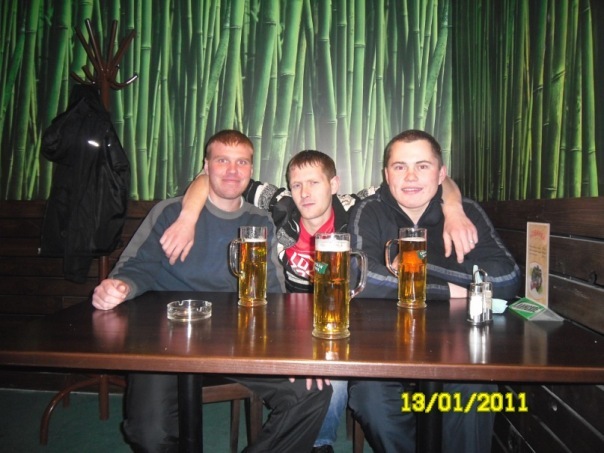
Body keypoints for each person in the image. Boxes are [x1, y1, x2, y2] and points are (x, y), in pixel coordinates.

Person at [159, 150, 478, 453]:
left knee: (331, 371)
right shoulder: (281, 203)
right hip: (291, 321)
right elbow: (212, 176)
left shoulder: (355, 206)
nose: (305, 193)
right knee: (319, 373)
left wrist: (454, 209)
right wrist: (187, 217)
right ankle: (317, 441)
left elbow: (428, 182)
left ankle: (319, 442)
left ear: (334, 184)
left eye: (314, 182)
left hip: (346, 319)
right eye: (297, 184)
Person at [92, 130, 332, 453]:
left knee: (312, 392)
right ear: (206, 167)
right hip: (166, 342)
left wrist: (293, 347)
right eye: (222, 161)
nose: (233, 170)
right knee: (149, 432)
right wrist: (121, 286)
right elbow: (137, 266)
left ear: (251, 169)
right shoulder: (170, 213)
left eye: (242, 162)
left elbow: (274, 293)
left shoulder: (261, 220)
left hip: (239, 342)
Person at [347, 129, 521, 453]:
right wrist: (454, 290)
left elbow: (508, 279)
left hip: (457, 344)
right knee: (369, 398)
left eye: (423, 166)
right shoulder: (368, 211)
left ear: (441, 174)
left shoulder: (465, 211)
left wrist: (415, 267)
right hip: (382, 344)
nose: (410, 176)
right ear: (386, 174)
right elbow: (359, 276)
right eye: (400, 166)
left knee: (475, 391)